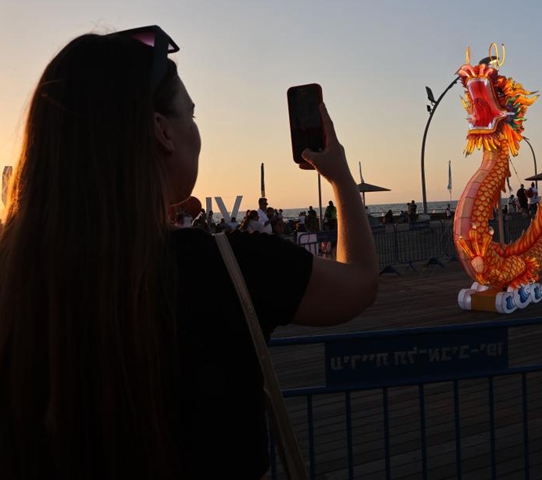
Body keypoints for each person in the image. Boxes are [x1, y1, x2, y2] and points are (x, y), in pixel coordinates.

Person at [0, 26, 378, 480]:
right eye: (190, 114)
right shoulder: (221, 268)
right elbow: (359, 281)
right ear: (161, 131)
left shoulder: (13, 276)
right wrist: (339, 177)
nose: (196, 132)